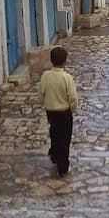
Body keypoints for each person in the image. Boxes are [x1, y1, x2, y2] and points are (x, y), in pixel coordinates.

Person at [38, 46, 78, 176]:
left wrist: (45, 102)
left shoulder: (45, 76)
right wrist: (72, 108)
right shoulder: (67, 78)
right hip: (64, 112)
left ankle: (54, 154)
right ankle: (62, 165)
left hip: (51, 111)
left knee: (54, 132)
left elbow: (41, 92)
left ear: (51, 60)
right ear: (65, 61)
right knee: (65, 138)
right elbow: (72, 97)